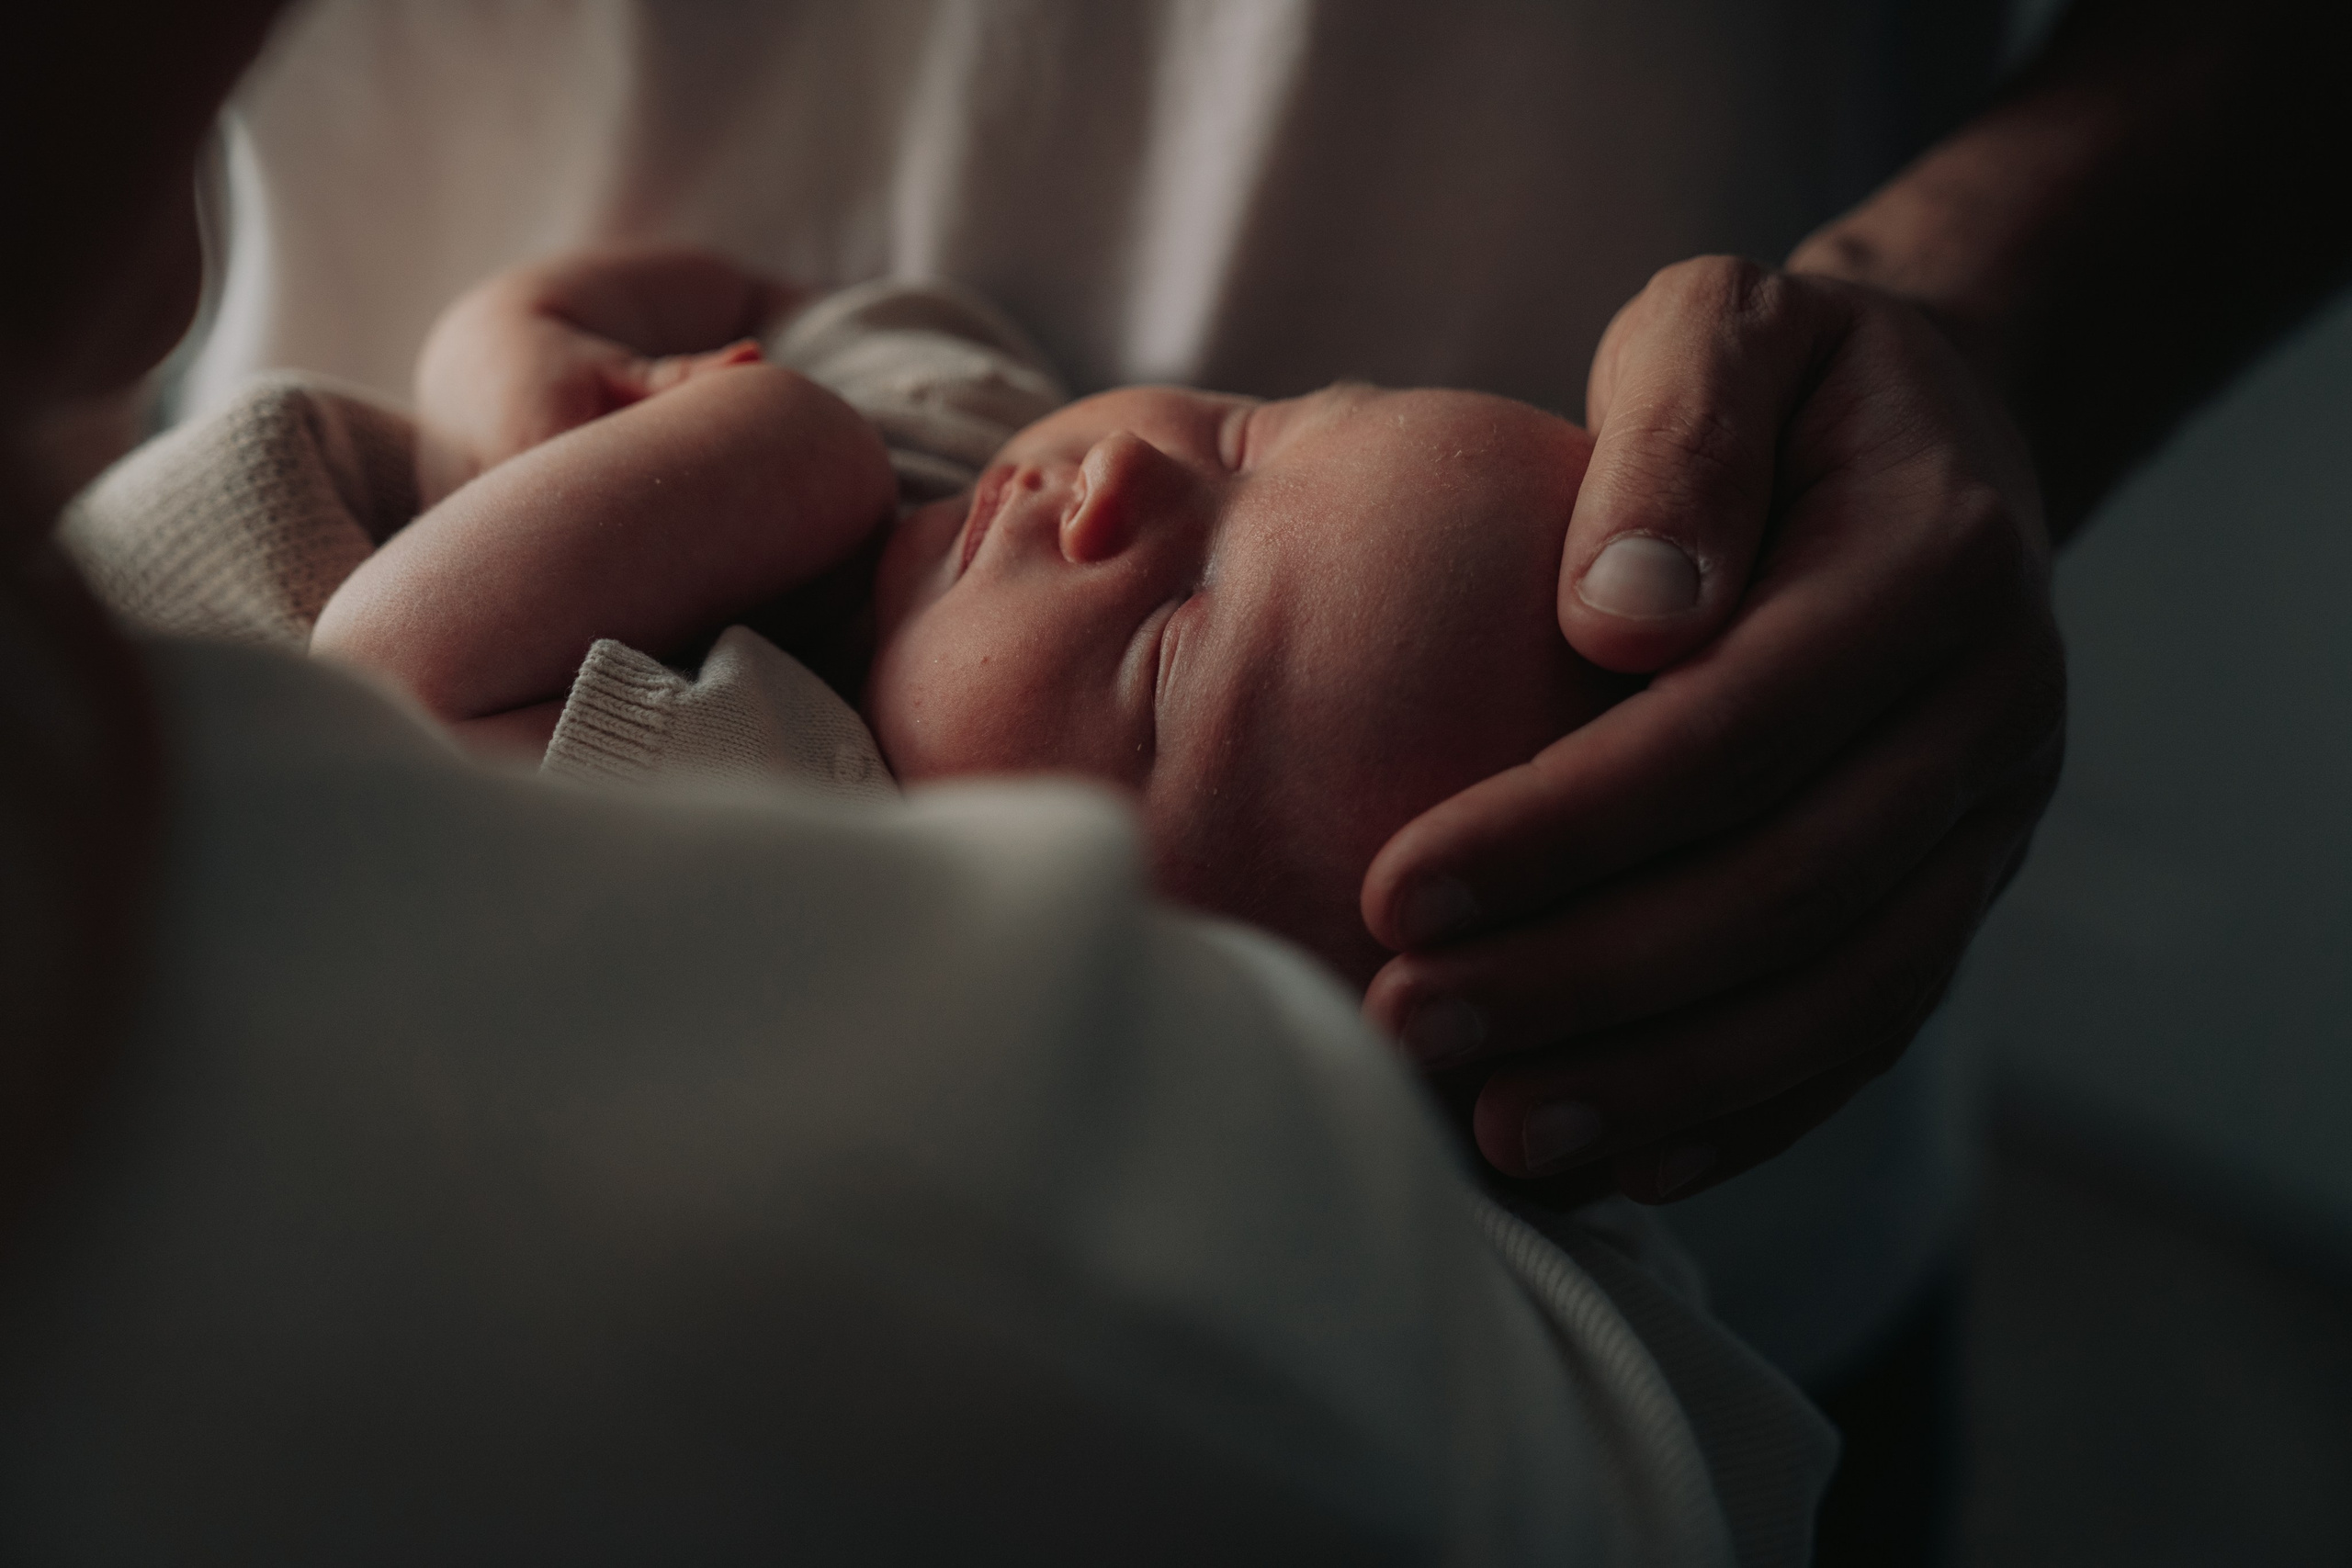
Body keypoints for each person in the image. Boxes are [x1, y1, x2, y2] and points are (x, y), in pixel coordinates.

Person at [179, 3, 2352, 1556]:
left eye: (1163, 663)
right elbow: (643, 312)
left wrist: (738, 449)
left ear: (1150, 1020)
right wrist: (532, 365)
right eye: (1250, 423)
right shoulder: (962, 437)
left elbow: (383, 676)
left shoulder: (779, 840)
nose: (1106, 470)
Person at [300, 247, 1634, 990]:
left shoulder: (813, 848)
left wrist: (786, 449)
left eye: (1173, 638)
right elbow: (747, 302)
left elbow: (371, 709)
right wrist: (511, 339)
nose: (1124, 472)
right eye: (1249, 435)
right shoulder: (965, 405)